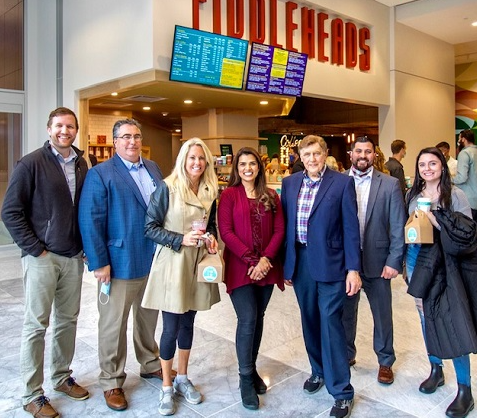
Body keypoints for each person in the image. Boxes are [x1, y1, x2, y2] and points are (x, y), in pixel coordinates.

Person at [1, 107, 89, 418]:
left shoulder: (81, 163)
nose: (65, 131)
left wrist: (85, 247)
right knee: (36, 325)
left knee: (68, 321)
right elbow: (10, 212)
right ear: (49, 128)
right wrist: (35, 248)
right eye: (60, 126)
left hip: (72, 257)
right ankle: (31, 394)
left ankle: (61, 377)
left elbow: (82, 210)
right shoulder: (30, 163)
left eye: (70, 126)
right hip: (43, 258)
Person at [78, 118, 165, 412]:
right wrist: (99, 262)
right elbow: (90, 221)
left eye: (137, 136)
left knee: (147, 319)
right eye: (126, 137)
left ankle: (150, 363)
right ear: (115, 142)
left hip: (152, 260)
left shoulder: (153, 168)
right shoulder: (101, 173)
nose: (132, 142)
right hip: (118, 263)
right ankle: (112, 380)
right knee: (113, 325)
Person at [281, 135, 361, 418]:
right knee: (310, 320)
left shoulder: (341, 183)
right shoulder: (290, 184)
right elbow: (285, 226)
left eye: (316, 153)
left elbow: (352, 229)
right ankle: (318, 370)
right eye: (306, 154)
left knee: (330, 323)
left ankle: (341, 391)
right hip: (300, 263)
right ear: (300, 157)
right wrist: (285, 265)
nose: (312, 159)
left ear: (325, 154)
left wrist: (353, 269)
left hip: (332, 265)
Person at [141, 137, 220, 416]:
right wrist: (180, 238)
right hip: (172, 264)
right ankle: (166, 386)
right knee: (171, 326)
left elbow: (211, 225)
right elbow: (149, 227)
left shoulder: (211, 189)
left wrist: (211, 238)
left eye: (201, 158)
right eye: (192, 158)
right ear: (183, 160)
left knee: (188, 324)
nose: (197, 163)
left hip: (197, 264)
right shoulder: (167, 187)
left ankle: (183, 378)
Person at [405, 147, 474, 418]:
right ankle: (436, 369)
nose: (427, 168)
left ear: (443, 167)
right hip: (417, 260)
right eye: (422, 164)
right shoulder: (412, 195)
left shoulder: (455, 195)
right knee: (425, 317)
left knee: (452, 320)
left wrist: (435, 218)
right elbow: (408, 228)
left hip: (446, 263)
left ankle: (465, 389)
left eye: (433, 163)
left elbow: (467, 233)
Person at [217, 147, 285, 410]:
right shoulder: (229, 196)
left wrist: (266, 259)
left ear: (259, 167)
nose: (248, 168)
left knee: (259, 318)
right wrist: (251, 260)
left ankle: (252, 368)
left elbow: (280, 230)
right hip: (240, 268)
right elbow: (226, 232)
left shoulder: (271, 196)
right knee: (247, 319)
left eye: (252, 164)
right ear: (237, 168)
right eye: (243, 164)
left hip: (267, 267)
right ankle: (245, 378)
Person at [342, 137, 406, 384]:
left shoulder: (389, 184)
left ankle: (385, 361)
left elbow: (398, 226)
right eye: (358, 151)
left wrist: (394, 260)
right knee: (346, 313)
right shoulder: (338, 181)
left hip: (379, 262)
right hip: (347, 263)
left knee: (382, 315)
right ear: (351, 154)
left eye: (367, 151)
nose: (363, 155)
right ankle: (347, 355)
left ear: (374, 155)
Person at [453, 129, 477, 220]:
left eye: (459, 139)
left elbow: (462, 178)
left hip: (469, 199)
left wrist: (449, 179)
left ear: (463, 139)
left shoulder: (464, 153)